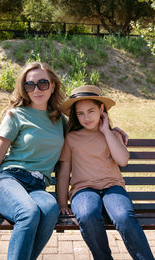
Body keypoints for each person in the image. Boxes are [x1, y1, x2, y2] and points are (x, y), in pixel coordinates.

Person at [0, 61, 67, 260]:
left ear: (52, 86)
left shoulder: (60, 120)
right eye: (29, 85)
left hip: (38, 186)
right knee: (28, 212)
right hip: (9, 180)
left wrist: (114, 130)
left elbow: (88, 128)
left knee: (50, 209)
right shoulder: (16, 115)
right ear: (24, 89)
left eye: (42, 83)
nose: (36, 89)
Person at [58, 85, 154, 260]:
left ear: (101, 109)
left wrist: (106, 132)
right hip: (83, 190)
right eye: (80, 113)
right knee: (87, 215)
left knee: (123, 215)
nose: (86, 117)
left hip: (113, 187)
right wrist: (63, 203)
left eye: (91, 111)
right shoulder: (71, 138)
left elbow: (123, 160)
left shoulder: (113, 135)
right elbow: (64, 172)